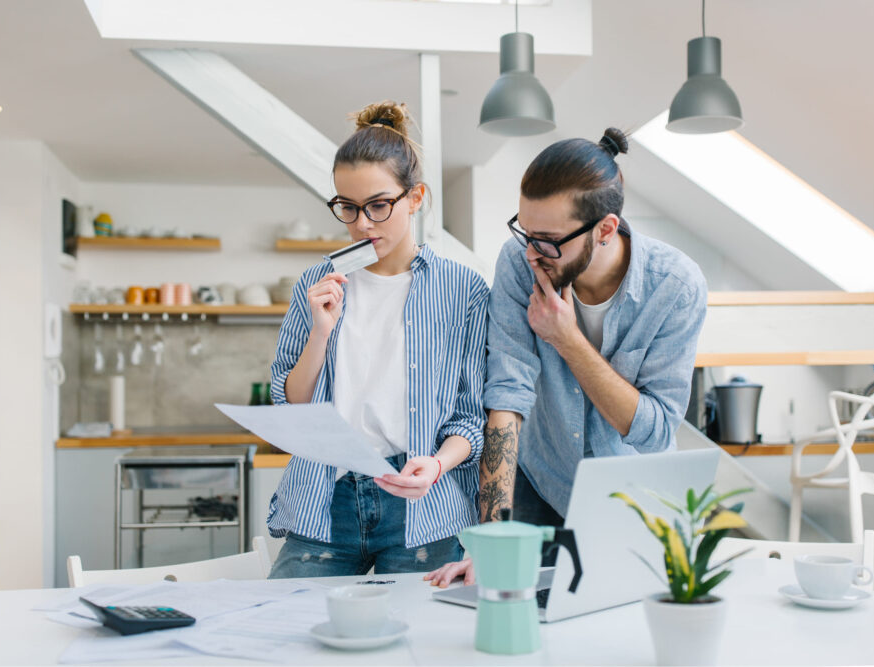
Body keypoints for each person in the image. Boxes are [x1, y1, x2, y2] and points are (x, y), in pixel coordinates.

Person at [425, 128, 707, 587]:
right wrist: (490, 538)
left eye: (548, 239)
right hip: (541, 479)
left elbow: (654, 432)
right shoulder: (521, 261)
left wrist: (567, 338)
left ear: (605, 230)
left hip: (630, 494)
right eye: (525, 230)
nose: (533, 252)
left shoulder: (675, 286)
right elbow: (506, 399)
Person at [267, 101, 489, 578]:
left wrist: (437, 464)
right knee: (286, 637)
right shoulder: (317, 282)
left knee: (425, 645)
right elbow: (290, 403)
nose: (362, 224)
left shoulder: (463, 290)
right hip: (325, 497)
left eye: (378, 205)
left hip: (422, 503)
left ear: (416, 197)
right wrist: (321, 333)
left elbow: (471, 417)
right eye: (347, 207)